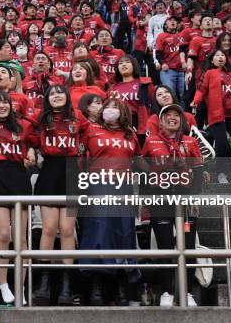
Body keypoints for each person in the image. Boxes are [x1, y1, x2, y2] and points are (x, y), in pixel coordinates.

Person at [141, 104, 203, 307]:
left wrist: (195, 197)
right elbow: (143, 173)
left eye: (176, 115)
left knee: (189, 246)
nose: (172, 118)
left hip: (185, 202)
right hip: (161, 201)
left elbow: (199, 173)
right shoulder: (151, 141)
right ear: (160, 121)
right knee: (166, 246)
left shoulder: (191, 141)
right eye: (167, 115)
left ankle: (188, 292)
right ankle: (166, 292)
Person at [79, 98, 140, 306]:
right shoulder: (91, 130)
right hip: (97, 185)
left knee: (122, 233)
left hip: (123, 187)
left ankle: (120, 283)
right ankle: (96, 283)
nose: (111, 110)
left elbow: (138, 161)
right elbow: (79, 158)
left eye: (116, 107)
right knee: (98, 233)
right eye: (108, 107)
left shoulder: (130, 134)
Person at [32, 85, 87, 306]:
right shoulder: (41, 118)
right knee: (48, 228)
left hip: (72, 171)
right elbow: (27, 135)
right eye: (52, 93)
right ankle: (43, 283)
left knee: (67, 230)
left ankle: (67, 284)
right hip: (49, 171)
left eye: (60, 93)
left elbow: (86, 137)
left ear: (67, 97)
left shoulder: (78, 117)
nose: (56, 96)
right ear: (47, 99)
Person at [0, 91, 36, 304]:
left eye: (5, 102)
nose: (2, 106)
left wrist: (30, 153)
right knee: (3, 234)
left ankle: (19, 287)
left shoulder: (24, 125)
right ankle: (3, 284)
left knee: (20, 237)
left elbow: (34, 144)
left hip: (18, 177)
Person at [191, 50, 231, 184]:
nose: (220, 57)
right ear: (212, 60)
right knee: (222, 145)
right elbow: (201, 89)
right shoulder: (209, 73)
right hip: (216, 114)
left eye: (223, 55)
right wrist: (195, 101)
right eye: (217, 56)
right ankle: (221, 174)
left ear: (226, 59)